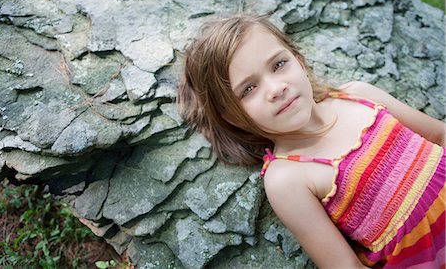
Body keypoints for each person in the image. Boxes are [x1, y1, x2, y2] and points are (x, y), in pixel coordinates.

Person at [177, 14, 445, 268]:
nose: (276, 88)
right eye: (248, 89)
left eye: (279, 64)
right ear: (232, 117)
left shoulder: (357, 95)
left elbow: (438, 134)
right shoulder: (287, 176)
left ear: (299, 61)